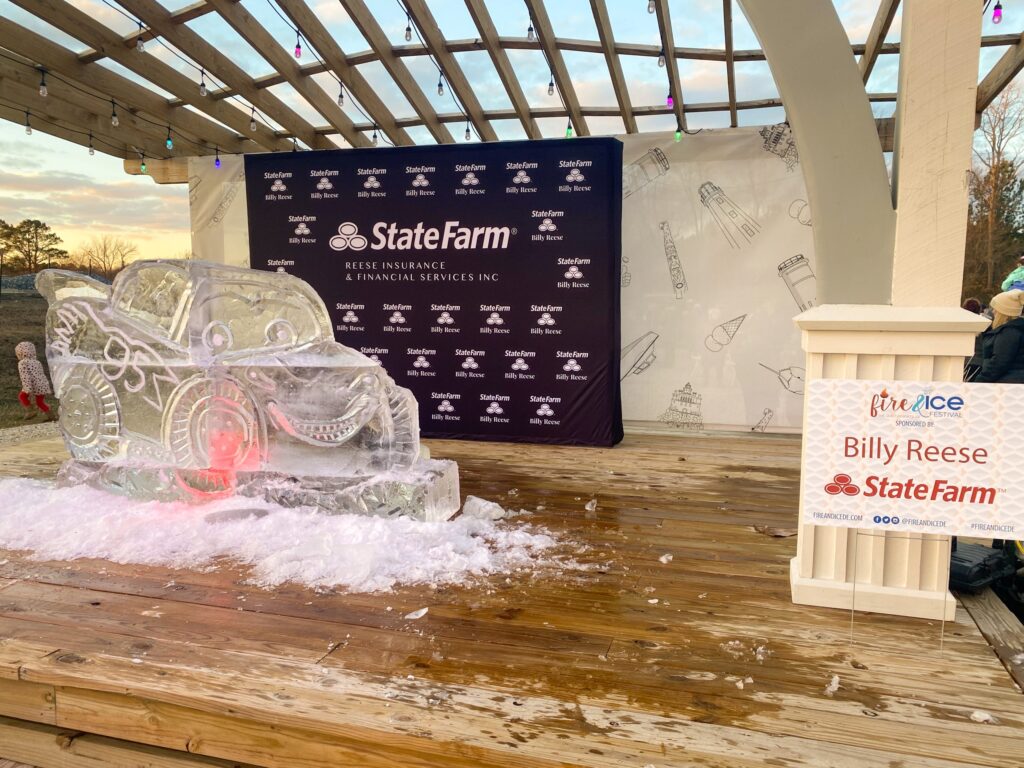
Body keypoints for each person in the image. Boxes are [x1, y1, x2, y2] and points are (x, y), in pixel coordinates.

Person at [974, 290, 1024, 383]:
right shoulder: (1014, 329)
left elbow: (999, 362)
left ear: (1002, 312)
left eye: (995, 309)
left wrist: (980, 381)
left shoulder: (1009, 332)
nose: (993, 312)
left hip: (1007, 384)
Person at [15, 341, 54, 420]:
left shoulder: (22, 363)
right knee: (40, 402)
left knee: (22, 396)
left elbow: (25, 377)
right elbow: (41, 374)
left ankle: (31, 410)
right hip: (42, 385)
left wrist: (28, 389)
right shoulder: (37, 362)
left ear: (20, 353)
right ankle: (52, 416)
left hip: (33, 386)